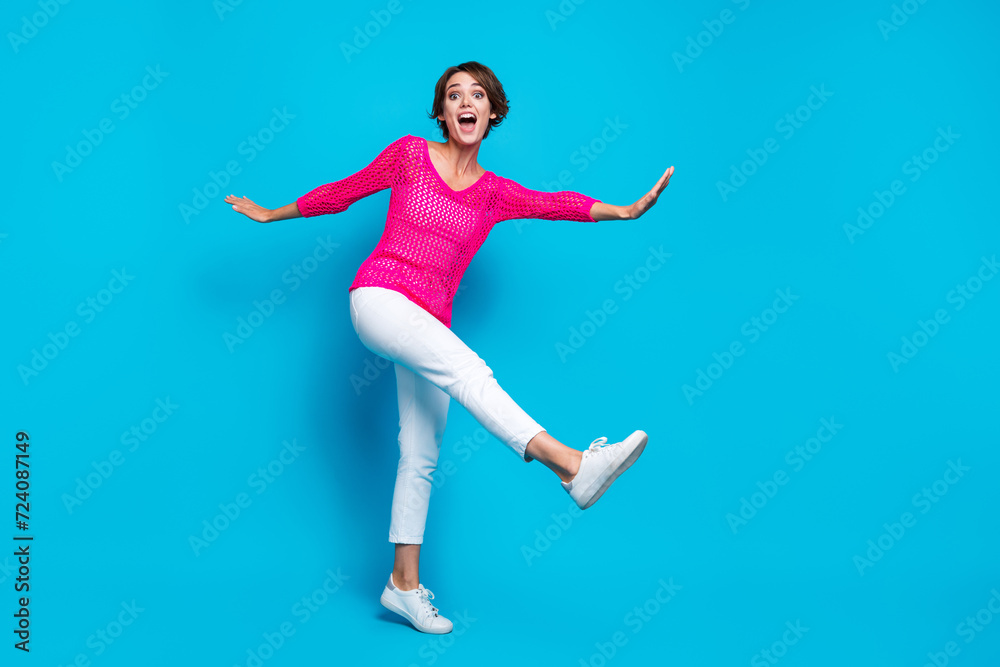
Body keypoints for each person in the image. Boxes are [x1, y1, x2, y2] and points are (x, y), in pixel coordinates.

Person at [225, 61, 673, 635]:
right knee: (470, 371)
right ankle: (573, 465)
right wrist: (274, 210)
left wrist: (627, 209)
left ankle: (402, 587)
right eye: (454, 95)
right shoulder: (410, 154)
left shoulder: (494, 194)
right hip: (380, 298)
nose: (466, 102)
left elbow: (557, 202)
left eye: (477, 94)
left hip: (429, 321)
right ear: (441, 112)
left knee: (421, 450)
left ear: (492, 113)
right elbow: (345, 191)